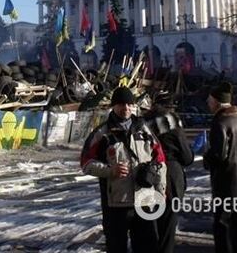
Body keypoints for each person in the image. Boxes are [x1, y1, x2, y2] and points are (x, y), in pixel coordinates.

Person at [81, 86, 167, 253]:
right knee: (116, 247)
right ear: (113, 106)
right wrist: (110, 170)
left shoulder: (144, 130)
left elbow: (160, 160)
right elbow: (85, 163)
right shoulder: (102, 134)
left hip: (144, 202)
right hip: (116, 205)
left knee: (148, 247)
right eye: (121, 104)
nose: (126, 108)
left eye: (129, 104)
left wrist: (161, 189)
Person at [204, 82, 237, 253]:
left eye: (210, 101)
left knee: (222, 225)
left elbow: (218, 155)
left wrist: (206, 157)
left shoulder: (220, 123)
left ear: (217, 102)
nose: (208, 104)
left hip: (226, 184)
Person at [144, 96, 194, 253]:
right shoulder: (171, 121)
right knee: (167, 227)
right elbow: (187, 157)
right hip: (170, 176)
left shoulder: (142, 123)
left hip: (146, 176)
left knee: (148, 224)